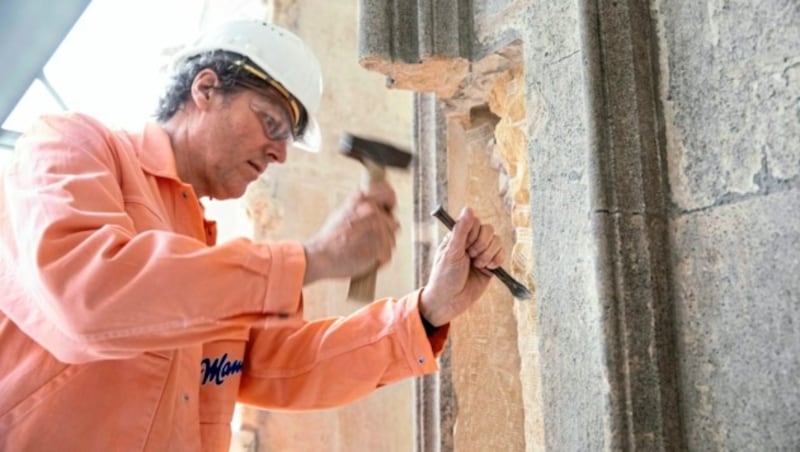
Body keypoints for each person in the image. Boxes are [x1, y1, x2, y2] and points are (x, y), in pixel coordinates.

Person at [0, 19, 506, 451]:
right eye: (270, 123)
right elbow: (87, 299)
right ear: (205, 89)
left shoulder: (202, 264)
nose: (279, 154)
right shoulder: (71, 148)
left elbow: (291, 366)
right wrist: (312, 259)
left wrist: (427, 311)